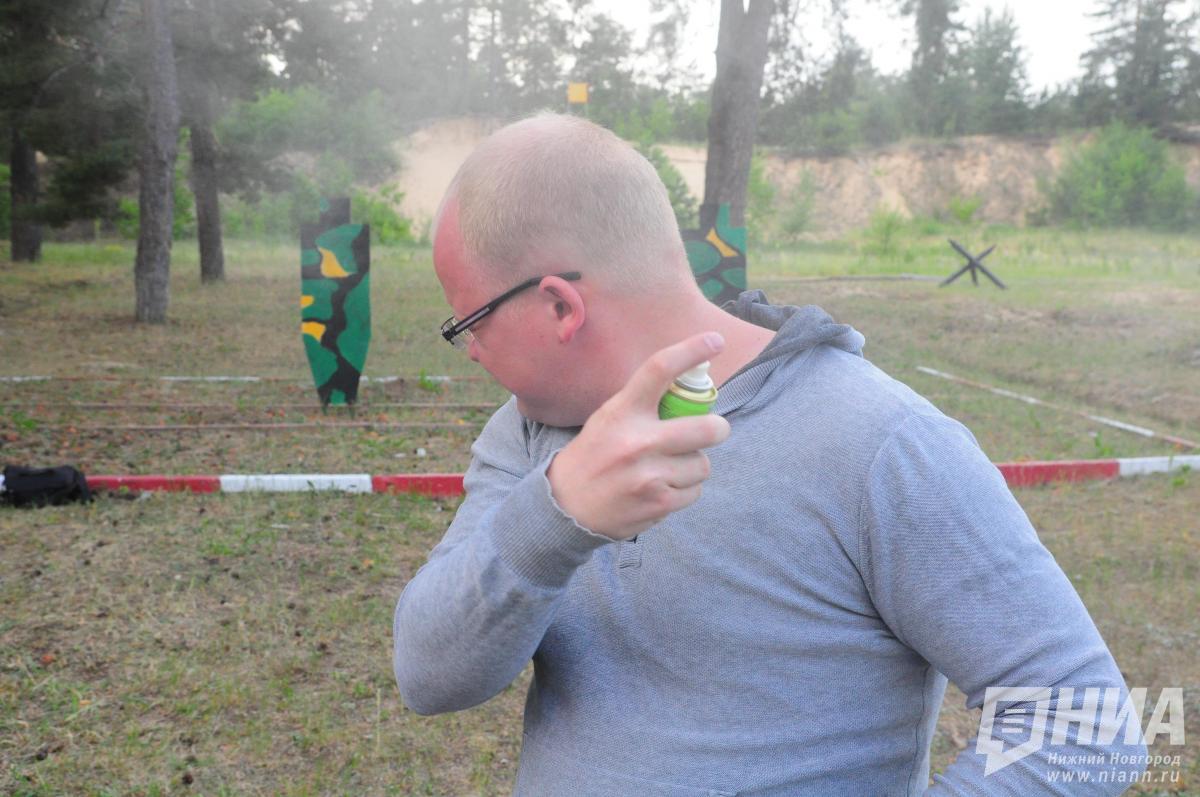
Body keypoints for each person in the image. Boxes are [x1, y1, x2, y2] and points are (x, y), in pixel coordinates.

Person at [393, 113, 1147, 795]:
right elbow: (429, 676)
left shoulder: (878, 439)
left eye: (468, 324)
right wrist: (556, 515)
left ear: (561, 304)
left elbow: (1084, 725)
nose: (469, 350)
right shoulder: (531, 434)